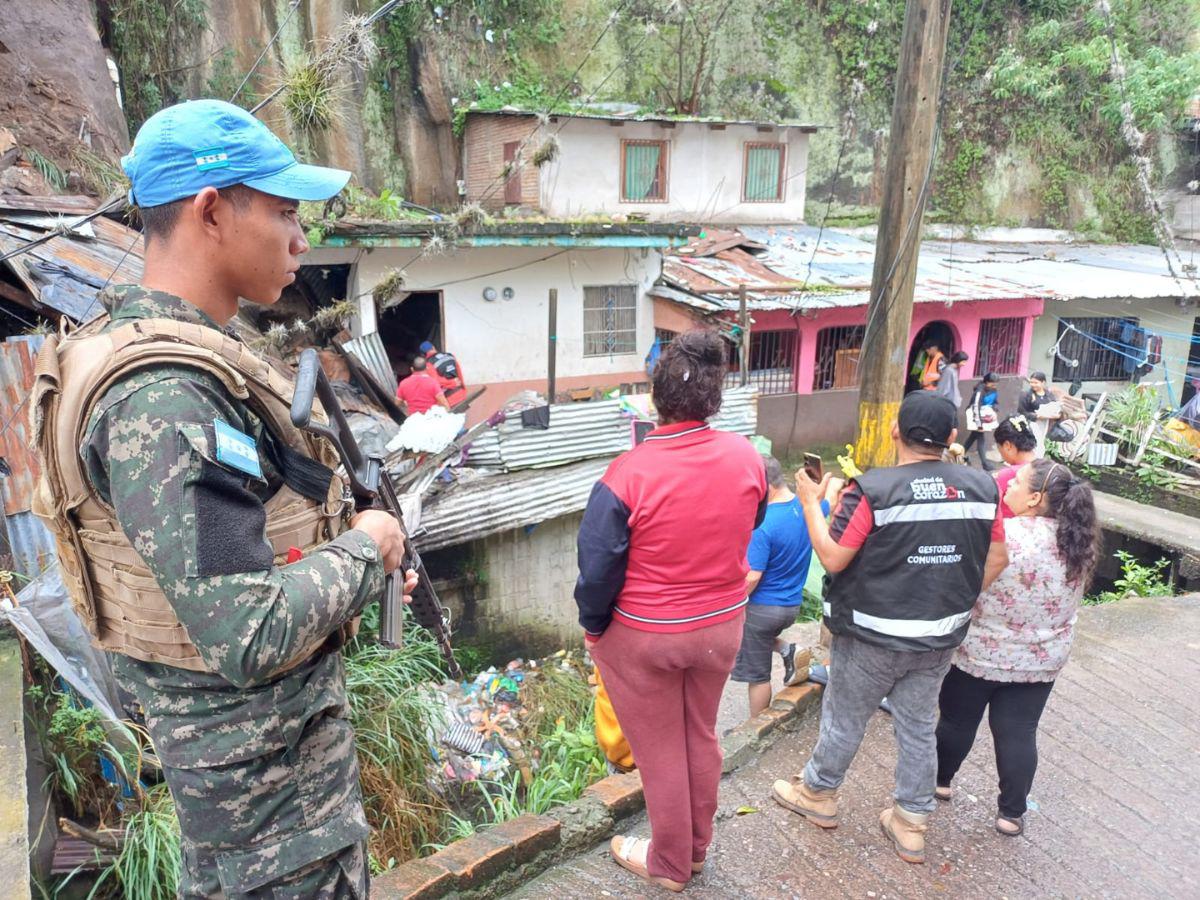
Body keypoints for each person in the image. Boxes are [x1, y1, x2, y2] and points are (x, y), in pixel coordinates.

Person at [31, 100, 413, 897]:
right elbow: (247, 629)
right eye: (283, 211)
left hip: (270, 811)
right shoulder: (163, 398)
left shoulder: (183, 355)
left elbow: (237, 556)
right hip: (273, 832)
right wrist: (368, 547)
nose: (301, 239)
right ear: (212, 209)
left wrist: (347, 565)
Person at [771, 391, 1008, 865]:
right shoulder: (984, 488)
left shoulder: (873, 490)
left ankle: (818, 794)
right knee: (919, 725)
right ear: (952, 439)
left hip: (871, 636)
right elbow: (998, 557)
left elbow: (834, 557)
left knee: (845, 717)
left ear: (896, 431)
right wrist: (952, 595)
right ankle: (911, 822)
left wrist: (811, 502)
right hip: (940, 635)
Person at [575, 330, 767, 892]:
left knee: (659, 752)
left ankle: (669, 865)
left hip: (647, 638)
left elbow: (598, 573)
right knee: (700, 735)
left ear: (655, 398)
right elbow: (746, 524)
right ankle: (697, 852)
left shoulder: (626, 475)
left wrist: (593, 629)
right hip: (721, 628)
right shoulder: (746, 456)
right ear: (716, 398)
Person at [935, 459, 1099, 837]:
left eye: (1018, 483)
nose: (1008, 487)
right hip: (1041, 660)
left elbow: (968, 585)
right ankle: (1011, 813)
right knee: (1019, 732)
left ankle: (940, 781)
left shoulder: (1002, 535)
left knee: (957, 722)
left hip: (980, 651)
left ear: (1035, 498)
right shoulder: (1077, 544)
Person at [731, 456, 839, 717]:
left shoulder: (763, 525)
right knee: (754, 636)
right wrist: (826, 483)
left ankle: (755, 727)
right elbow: (832, 497)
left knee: (756, 675)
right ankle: (787, 649)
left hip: (762, 610)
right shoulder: (806, 508)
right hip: (790, 604)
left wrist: (731, 606)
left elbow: (752, 577)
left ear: (764, 487)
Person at [992, 415, 1038, 518]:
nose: (1002, 455)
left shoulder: (1010, 474)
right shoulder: (1044, 467)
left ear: (1008, 446)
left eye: (1000, 450)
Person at [962, 372, 1000, 471]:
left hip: (985, 415)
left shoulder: (993, 389)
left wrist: (995, 409)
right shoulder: (979, 391)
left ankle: (959, 455)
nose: (994, 385)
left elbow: (995, 402)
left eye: (995, 383)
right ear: (986, 382)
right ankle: (984, 463)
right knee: (980, 437)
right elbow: (975, 407)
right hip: (976, 415)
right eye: (992, 383)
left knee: (973, 436)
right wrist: (979, 423)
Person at [1018, 371, 1057, 457]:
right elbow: (1022, 412)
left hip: (1045, 424)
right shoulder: (1026, 395)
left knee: (1040, 442)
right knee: (1036, 445)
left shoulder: (1049, 395)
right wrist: (1036, 416)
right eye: (1031, 382)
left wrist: (1056, 415)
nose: (1033, 385)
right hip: (1031, 423)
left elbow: (1055, 406)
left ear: (1043, 382)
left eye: (1036, 382)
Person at [421, 340, 467, 407]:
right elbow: (459, 374)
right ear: (433, 347)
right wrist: (463, 388)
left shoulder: (429, 363)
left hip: (448, 399)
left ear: (423, 354)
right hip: (460, 393)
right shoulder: (450, 355)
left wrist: (452, 383)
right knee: (461, 416)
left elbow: (435, 382)